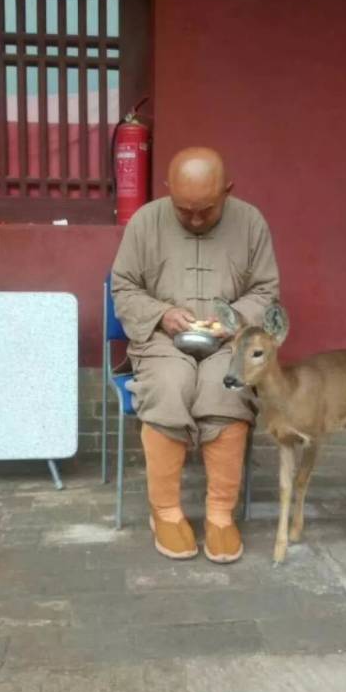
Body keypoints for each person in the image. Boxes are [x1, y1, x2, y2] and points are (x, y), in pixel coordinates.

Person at [111, 147, 280, 563]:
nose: (196, 219)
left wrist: (235, 320)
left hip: (229, 341)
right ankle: (165, 510)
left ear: (228, 191)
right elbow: (125, 287)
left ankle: (220, 514)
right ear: (169, 192)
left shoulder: (251, 222)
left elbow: (265, 291)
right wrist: (161, 313)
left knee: (226, 389)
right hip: (161, 340)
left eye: (206, 209)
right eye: (185, 210)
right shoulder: (145, 221)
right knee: (170, 385)